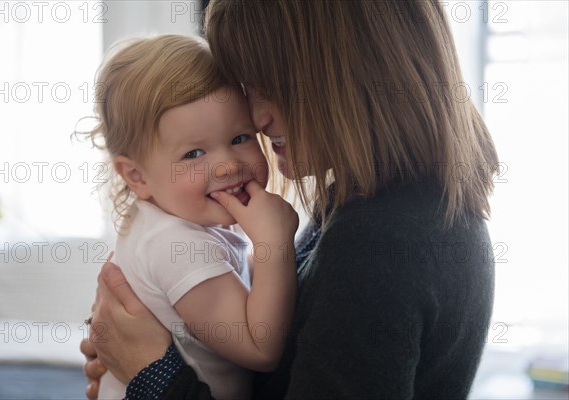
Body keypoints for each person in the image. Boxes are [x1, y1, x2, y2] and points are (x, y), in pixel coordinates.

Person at [82, 0, 500, 398]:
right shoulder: (377, 206)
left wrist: (148, 371)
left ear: (345, 73)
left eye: (271, 86)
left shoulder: (383, 242)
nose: (259, 119)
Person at [81, 34, 298, 400]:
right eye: (194, 153)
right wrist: (274, 245)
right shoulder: (176, 246)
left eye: (240, 137)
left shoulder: (169, 223)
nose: (229, 165)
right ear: (137, 176)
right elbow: (261, 347)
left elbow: (234, 279)